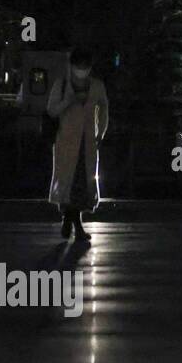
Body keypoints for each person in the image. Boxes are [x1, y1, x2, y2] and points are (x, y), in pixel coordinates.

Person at [47, 47, 109, 241]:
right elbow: (52, 110)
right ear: (72, 66)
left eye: (85, 66)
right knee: (68, 184)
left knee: (82, 184)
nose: (82, 69)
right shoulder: (63, 84)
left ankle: (70, 221)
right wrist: (67, 101)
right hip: (66, 142)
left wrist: (101, 132)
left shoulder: (97, 86)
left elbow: (104, 108)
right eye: (79, 66)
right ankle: (76, 226)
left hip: (87, 142)